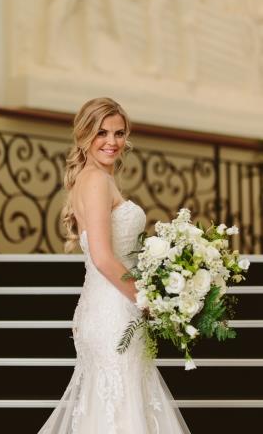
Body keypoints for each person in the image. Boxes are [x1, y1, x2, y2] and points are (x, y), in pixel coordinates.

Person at [37, 97, 191, 433]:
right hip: (112, 313)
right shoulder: (94, 181)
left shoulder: (96, 178)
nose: (112, 141)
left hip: (108, 307)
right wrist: (148, 299)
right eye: (101, 133)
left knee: (116, 411)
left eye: (119, 133)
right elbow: (103, 257)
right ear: (84, 136)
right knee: (119, 412)